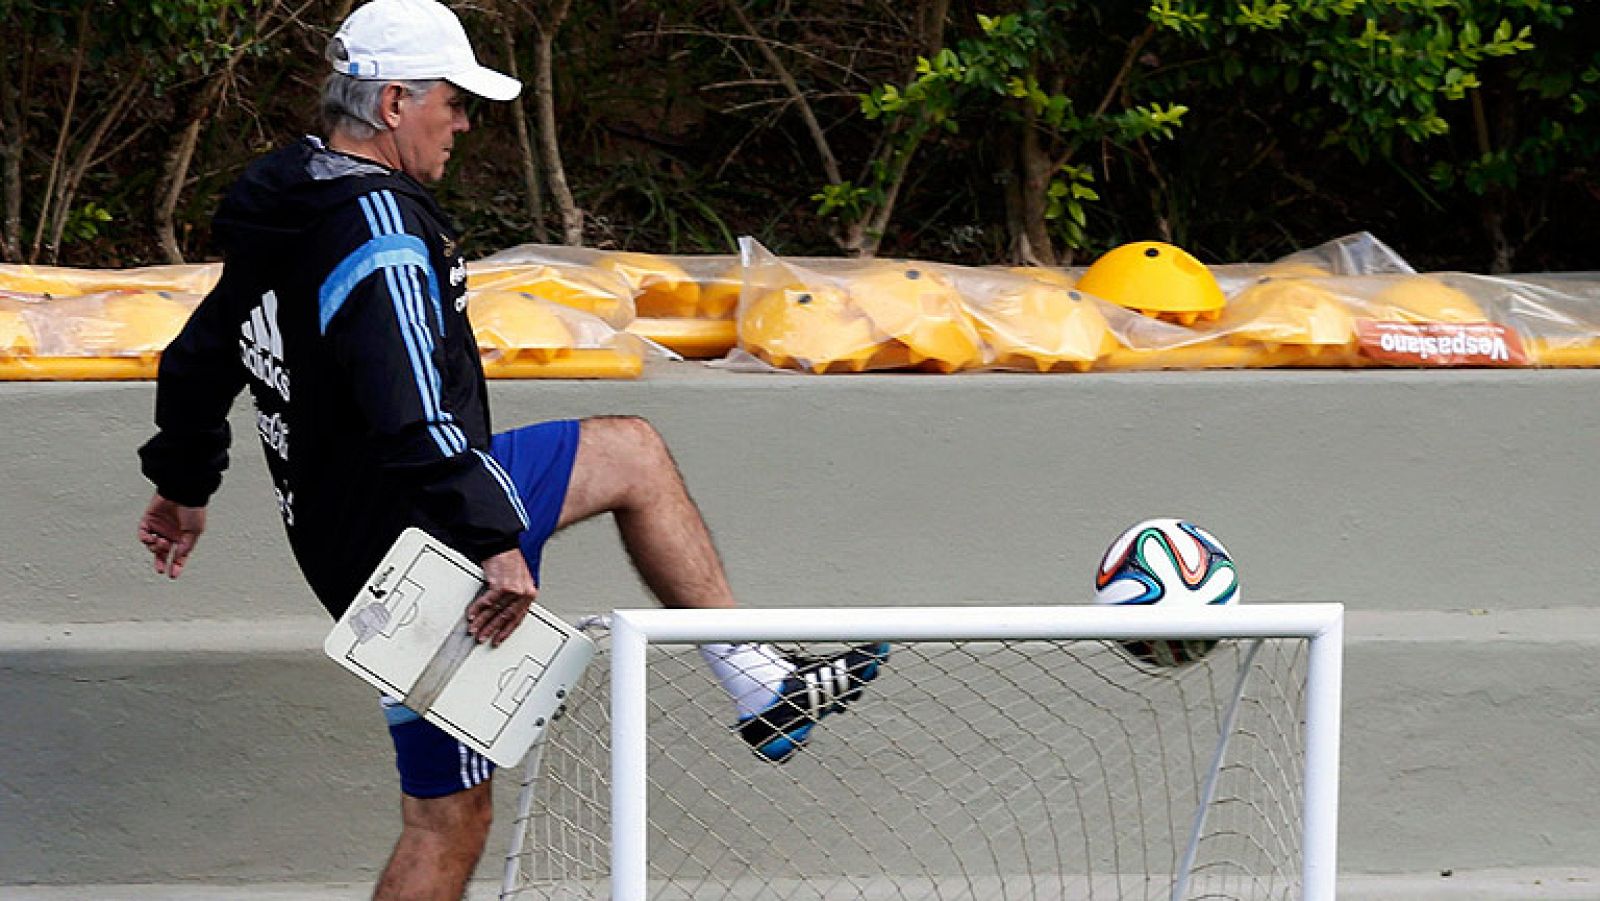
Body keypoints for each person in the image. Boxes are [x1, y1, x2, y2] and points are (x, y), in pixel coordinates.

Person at [133, 1, 888, 897]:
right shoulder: (376, 232)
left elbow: (199, 354)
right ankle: (760, 684)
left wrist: (184, 484)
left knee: (626, 460)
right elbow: (410, 405)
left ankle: (760, 683)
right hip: (422, 544)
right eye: (453, 103)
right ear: (394, 103)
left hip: (356, 539)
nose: (462, 123)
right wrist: (491, 536)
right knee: (450, 820)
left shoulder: (291, 200)